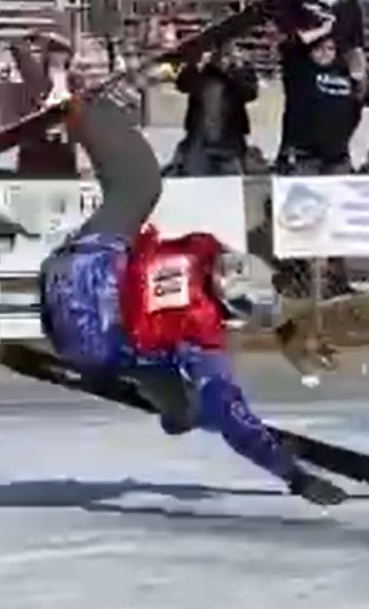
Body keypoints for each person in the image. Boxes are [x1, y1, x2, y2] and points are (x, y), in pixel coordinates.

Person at [33, 46, 347, 506]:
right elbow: (232, 416)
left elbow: (242, 283)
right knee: (189, 397)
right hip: (86, 341)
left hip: (75, 270)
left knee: (139, 184)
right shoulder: (202, 333)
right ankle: (176, 409)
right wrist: (295, 477)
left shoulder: (201, 247)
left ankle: (75, 105)